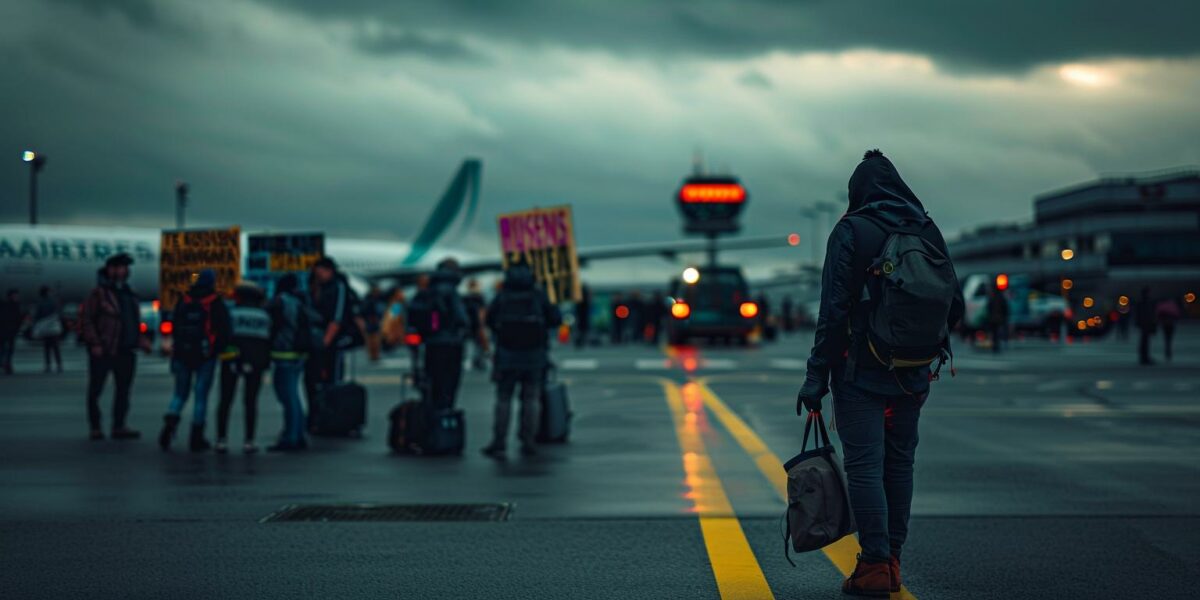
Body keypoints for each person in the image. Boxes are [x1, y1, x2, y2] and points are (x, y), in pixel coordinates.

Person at [796, 150, 963, 597]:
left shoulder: (851, 230)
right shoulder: (926, 230)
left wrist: (815, 379)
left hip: (860, 371)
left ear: (858, 192)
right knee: (900, 464)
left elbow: (832, 313)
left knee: (866, 466)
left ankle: (872, 565)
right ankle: (891, 560)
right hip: (913, 373)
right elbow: (957, 307)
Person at [482, 264, 561, 458]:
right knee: (531, 399)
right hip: (534, 355)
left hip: (507, 355)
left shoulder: (502, 297)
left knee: (503, 399)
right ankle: (528, 440)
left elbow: (489, 320)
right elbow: (555, 319)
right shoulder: (538, 296)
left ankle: (499, 441)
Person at [159, 269, 232, 452]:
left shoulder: (184, 300)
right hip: (205, 356)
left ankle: (170, 424)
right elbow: (224, 330)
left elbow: (174, 326)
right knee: (201, 396)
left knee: (179, 394)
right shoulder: (214, 302)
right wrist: (217, 350)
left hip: (183, 353)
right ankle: (196, 437)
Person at [80, 253, 148, 440]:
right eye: (118, 268)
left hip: (126, 349)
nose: (122, 272)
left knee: (123, 390)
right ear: (109, 269)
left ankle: (119, 425)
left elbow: (133, 321)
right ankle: (95, 427)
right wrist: (94, 343)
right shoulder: (98, 293)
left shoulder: (129, 294)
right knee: (96, 389)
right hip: (104, 349)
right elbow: (86, 320)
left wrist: (140, 339)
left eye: (125, 268)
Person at [215, 283, 272, 454]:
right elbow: (267, 341)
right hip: (255, 362)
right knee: (251, 401)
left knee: (226, 400)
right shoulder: (264, 316)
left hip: (231, 359)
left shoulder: (231, 314)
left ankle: (222, 439)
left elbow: (223, 336)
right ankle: (249, 440)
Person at [407, 258, 469, 410]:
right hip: (451, 346)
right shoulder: (453, 294)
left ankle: (429, 417)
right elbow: (463, 320)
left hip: (429, 344)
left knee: (431, 384)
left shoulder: (423, 294)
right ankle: (444, 419)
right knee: (448, 388)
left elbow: (411, 322)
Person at [305, 257, 358, 408]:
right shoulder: (316, 287)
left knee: (332, 379)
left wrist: (325, 343)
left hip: (331, 342)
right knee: (314, 381)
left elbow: (337, 318)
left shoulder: (338, 287)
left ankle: (330, 412)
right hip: (318, 341)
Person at [266, 274, 311, 452]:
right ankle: (298, 434)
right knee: (295, 396)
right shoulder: (300, 302)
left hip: (283, 353)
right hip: (299, 354)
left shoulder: (279, 302)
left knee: (287, 396)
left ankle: (290, 436)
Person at [33, 286, 63, 373]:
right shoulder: (54, 301)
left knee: (47, 348)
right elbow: (59, 313)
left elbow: (37, 315)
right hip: (53, 327)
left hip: (44, 328)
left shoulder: (40, 302)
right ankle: (59, 365)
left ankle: (48, 365)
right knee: (56, 348)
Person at [462, 278, 489, 371]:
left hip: (469, 323)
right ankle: (478, 360)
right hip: (476, 323)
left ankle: (471, 360)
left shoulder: (466, 298)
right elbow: (483, 311)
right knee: (478, 343)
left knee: (471, 343)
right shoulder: (479, 297)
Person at [0, 289, 24, 375]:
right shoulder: (9, 305)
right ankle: (6, 364)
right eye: (15, 295)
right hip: (6, 330)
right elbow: (17, 318)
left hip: (10, 331)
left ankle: (7, 364)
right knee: (6, 348)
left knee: (8, 349)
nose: (17, 297)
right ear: (10, 296)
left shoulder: (13, 305)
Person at [361, 285, 386, 362]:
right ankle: (373, 355)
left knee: (375, 340)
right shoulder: (369, 300)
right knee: (372, 340)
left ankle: (375, 355)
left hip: (375, 321)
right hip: (371, 321)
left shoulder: (378, 299)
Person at [985, 283, 1010, 354]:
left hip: (993, 318)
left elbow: (989, 308)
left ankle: (995, 346)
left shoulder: (992, 298)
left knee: (994, 333)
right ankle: (998, 346)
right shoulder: (1001, 297)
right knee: (998, 332)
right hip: (999, 318)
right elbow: (1005, 308)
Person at [1157, 296, 1182, 363]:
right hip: (1171, 324)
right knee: (1169, 339)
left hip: (1165, 325)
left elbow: (1158, 315)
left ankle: (1167, 351)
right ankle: (1168, 352)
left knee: (1166, 339)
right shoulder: (1173, 306)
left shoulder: (1162, 306)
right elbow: (1177, 315)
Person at [1136, 287, 1157, 366]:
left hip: (1146, 324)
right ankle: (1144, 357)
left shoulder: (1146, 302)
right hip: (1145, 324)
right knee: (1144, 341)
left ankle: (1144, 357)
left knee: (1145, 341)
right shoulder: (1144, 303)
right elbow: (1145, 314)